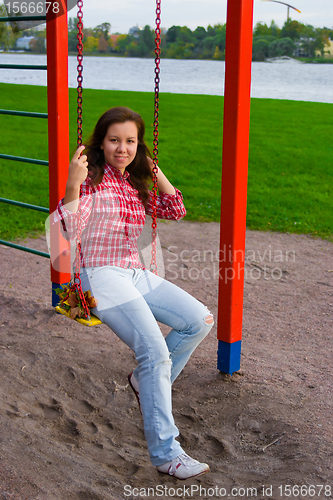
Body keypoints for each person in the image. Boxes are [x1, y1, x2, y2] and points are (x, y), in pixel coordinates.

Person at [54, 107, 214, 479]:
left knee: (199, 320)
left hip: (134, 271)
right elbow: (66, 230)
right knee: (155, 352)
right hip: (100, 274)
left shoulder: (133, 182)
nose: (122, 148)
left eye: (130, 141)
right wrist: (72, 185)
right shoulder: (92, 178)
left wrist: (155, 171)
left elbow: (176, 209)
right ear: (101, 142)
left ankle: (146, 382)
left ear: (139, 145)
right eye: (114, 140)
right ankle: (166, 454)